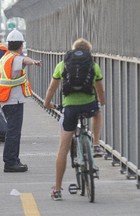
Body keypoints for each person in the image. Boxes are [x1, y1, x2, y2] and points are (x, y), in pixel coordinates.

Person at [43, 38, 105, 200]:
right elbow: (100, 90)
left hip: (69, 108)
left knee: (63, 148)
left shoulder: (62, 65)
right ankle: (96, 144)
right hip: (88, 105)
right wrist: (101, 102)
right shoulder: (93, 66)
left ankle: (57, 189)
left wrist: (47, 102)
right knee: (97, 112)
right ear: (88, 52)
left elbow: (52, 87)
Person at [0, 29, 41, 172]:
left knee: (12, 131)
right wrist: (33, 61)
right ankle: (10, 162)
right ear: (21, 45)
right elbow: (24, 60)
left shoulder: (5, 57)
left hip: (6, 100)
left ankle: (14, 159)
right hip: (13, 101)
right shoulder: (15, 58)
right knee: (13, 132)